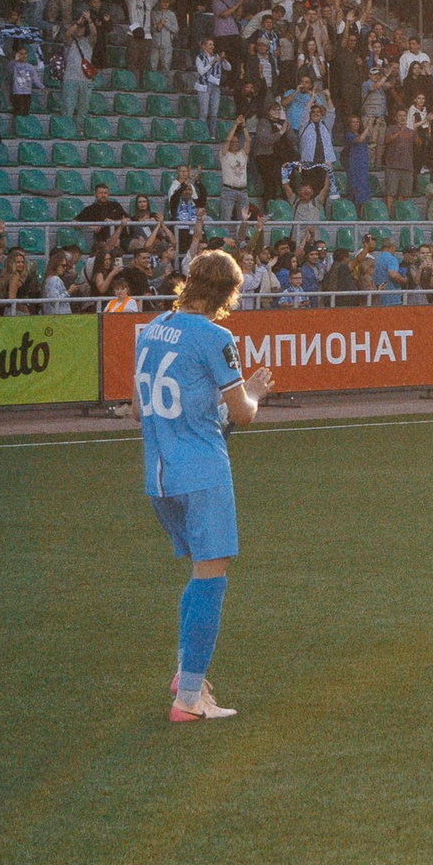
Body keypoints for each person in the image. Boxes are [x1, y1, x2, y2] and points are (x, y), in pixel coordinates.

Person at [131, 250, 276, 722]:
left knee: (199, 574)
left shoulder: (150, 330)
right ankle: (189, 699)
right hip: (202, 473)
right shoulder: (217, 336)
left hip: (158, 475)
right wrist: (253, 391)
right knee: (212, 579)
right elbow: (241, 414)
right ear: (229, 293)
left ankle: (186, 674)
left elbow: (137, 410)